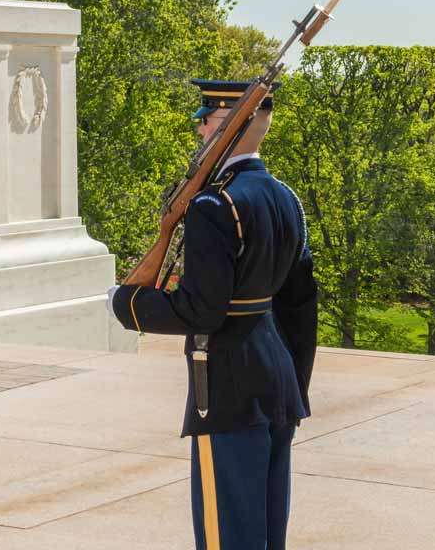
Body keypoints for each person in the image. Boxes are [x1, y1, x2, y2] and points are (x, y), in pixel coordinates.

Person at [107, 79, 319, 550]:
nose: (201, 132)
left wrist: (127, 305)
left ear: (227, 126)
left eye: (207, 122)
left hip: (225, 388)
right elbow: (300, 307)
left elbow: (200, 311)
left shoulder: (214, 206)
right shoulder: (287, 199)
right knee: (265, 533)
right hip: (278, 384)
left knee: (228, 536)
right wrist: (294, 389)